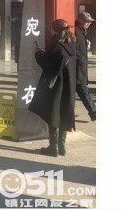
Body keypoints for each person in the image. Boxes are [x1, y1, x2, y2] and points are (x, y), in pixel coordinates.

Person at [28, 18, 77, 156]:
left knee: (53, 114)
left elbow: (50, 65)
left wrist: (38, 54)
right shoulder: (72, 45)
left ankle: (53, 147)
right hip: (69, 86)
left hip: (57, 87)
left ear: (55, 31)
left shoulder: (58, 47)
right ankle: (62, 147)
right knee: (64, 113)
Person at [74, 12, 96, 121]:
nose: (89, 23)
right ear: (80, 21)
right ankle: (94, 112)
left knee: (80, 91)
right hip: (77, 68)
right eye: (87, 21)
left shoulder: (82, 31)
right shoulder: (76, 32)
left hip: (81, 68)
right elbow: (74, 49)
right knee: (83, 91)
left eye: (90, 22)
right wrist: (81, 58)